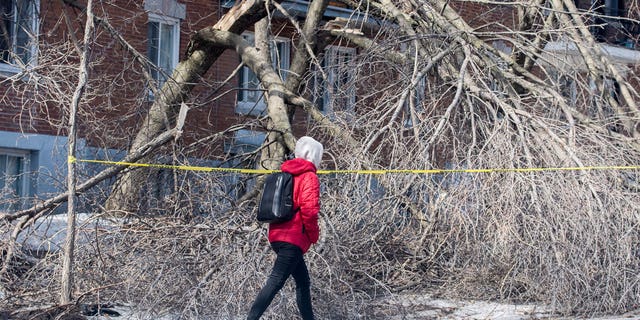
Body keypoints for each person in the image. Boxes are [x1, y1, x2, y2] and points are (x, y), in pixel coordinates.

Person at [247, 136, 323, 320]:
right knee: (275, 281)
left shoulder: (286, 172)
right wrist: (313, 235)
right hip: (293, 238)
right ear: (313, 156)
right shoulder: (308, 176)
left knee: (303, 282)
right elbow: (309, 210)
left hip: (277, 235)